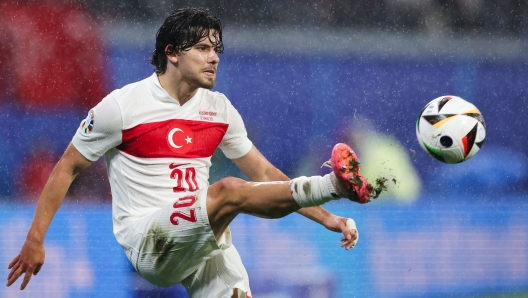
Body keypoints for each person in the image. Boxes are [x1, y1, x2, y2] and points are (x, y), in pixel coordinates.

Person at [6, 8, 374, 298]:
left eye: (216, 49)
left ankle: (333, 191)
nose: (213, 58)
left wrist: (330, 220)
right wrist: (35, 239)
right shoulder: (121, 107)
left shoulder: (219, 109)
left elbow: (264, 174)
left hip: (201, 233)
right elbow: (67, 167)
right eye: (202, 48)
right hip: (150, 241)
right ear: (172, 54)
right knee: (228, 190)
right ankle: (333, 184)